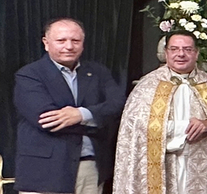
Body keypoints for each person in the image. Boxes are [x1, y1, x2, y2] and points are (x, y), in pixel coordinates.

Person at [114, 30, 207, 194]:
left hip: (200, 168)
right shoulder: (148, 85)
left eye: (187, 49)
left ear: (196, 53)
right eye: (174, 49)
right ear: (166, 53)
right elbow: (136, 127)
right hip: (164, 166)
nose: (181, 54)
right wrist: (182, 128)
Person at [14, 18, 125, 194]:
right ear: (46, 43)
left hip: (89, 168)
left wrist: (83, 114)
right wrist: (96, 121)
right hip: (45, 172)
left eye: (75, 41)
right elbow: (46, 120)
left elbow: (118, 104)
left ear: (83, 43)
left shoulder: (98, 72)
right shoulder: (29, 75)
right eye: (61, 40)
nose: (69, 46)